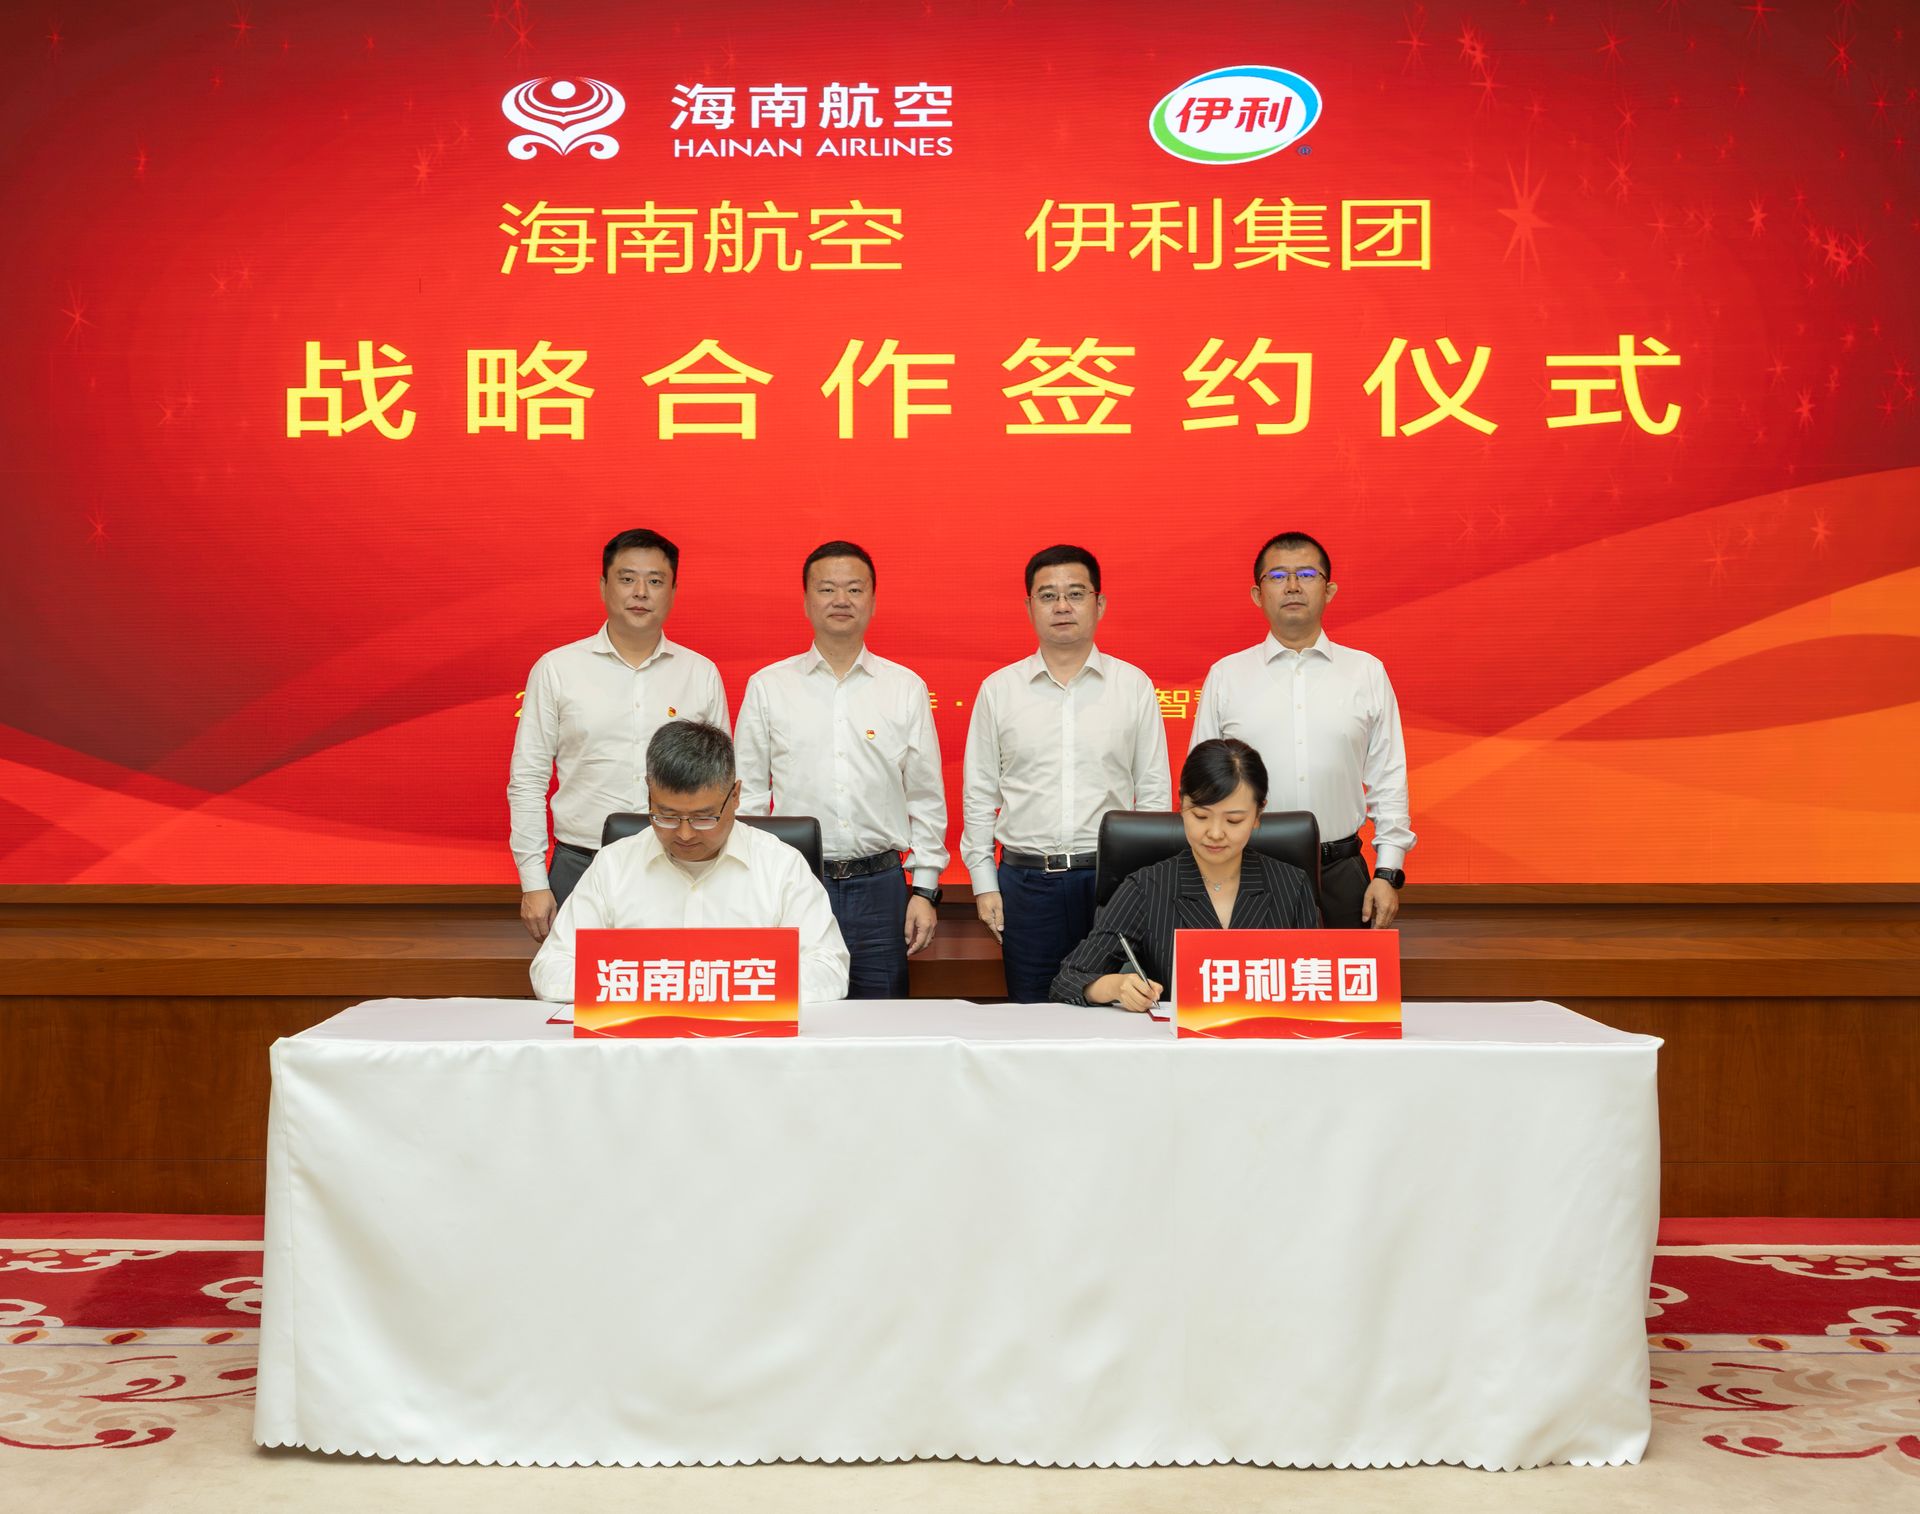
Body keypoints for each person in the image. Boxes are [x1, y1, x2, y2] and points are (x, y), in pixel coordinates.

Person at [735, 542, 948, 999]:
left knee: (883, 1020)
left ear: (872, 599)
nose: (841, 600)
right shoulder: (769, 687)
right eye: (827, 588)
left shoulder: (904, 688)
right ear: (806, 600)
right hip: (795, 882)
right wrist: (754, 885)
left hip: (881, 888)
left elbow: (925, 798)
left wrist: (924, 891)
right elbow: (747, 799)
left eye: (854, 589)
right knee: (797, 1013)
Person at [962, 545, 1173, 1003]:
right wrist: (984, 884)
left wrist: (1145, 887)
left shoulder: (1132, 686)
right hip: (1025, 885)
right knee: (1033, 1014)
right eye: (1048, 596)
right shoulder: (999, 690)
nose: (1062, 606)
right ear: (1029, 607)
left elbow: (1154, 794)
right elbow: (979, 795)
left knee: (1118, 1010)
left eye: (1075, 594)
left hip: (1112, 885)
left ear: (1099, 604)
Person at [509, 529, 730, 943]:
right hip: (581, 862)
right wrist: (533, 881)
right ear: (603, 586)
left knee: (673, 978)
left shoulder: (699, 673)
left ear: (673, 591)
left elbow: (721, 784)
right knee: (576, 982)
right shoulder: (557, 669)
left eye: (655, 581)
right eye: (627, 579)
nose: (640, 592)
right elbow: (528, 779)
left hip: (680, 865)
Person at [530, 721, 849, 1004]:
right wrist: (658, 987)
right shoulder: (613, 866)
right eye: (666, 816)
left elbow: (829, 969)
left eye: (703, 817)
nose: (684, 834)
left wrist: (720, 987)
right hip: (640, 1042)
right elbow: (551, 968)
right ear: (649, 793)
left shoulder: (781, 866)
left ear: (735, 796)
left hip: (748, 1043)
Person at [1192, 531, 1413, 931]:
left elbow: (1388, 778)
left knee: (1343, 974)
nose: (1292, 586)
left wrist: (1387, 872)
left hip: (1341, 872)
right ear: (1257, 594)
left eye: (1307, 574)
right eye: (1277, 576)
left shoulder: (1365, 672)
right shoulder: (1226, 676)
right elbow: (1202, 786)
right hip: (1249, 872)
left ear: (1329, 590)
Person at [1051, 739, 1318, 1011]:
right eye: (1201, 816)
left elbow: (1318, 983)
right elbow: (1067, 980)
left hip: (1267, 1034)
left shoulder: (1291, 885)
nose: (1215, 833)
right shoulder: (1146, 888)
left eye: (1233, 820)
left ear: (1258, 814)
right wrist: (1115, 986)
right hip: (1175, 1037)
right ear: (1181, 804)